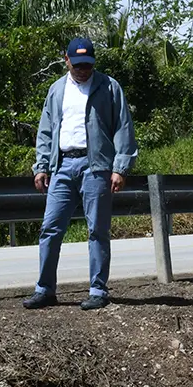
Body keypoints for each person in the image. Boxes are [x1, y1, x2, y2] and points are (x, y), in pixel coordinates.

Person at [23, 37, 137, 312]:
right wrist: (41, 166)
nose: (82, 69)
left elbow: (123, 127)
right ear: (67, 60)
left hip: (95, 166)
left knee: (97, 230)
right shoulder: (57, 89)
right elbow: (46, 130)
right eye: (77, 64)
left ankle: (98, 290)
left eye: (87, 65)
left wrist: (120, 167)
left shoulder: (109, 86)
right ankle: (45, 290)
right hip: (61, 166)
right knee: (50, 228)